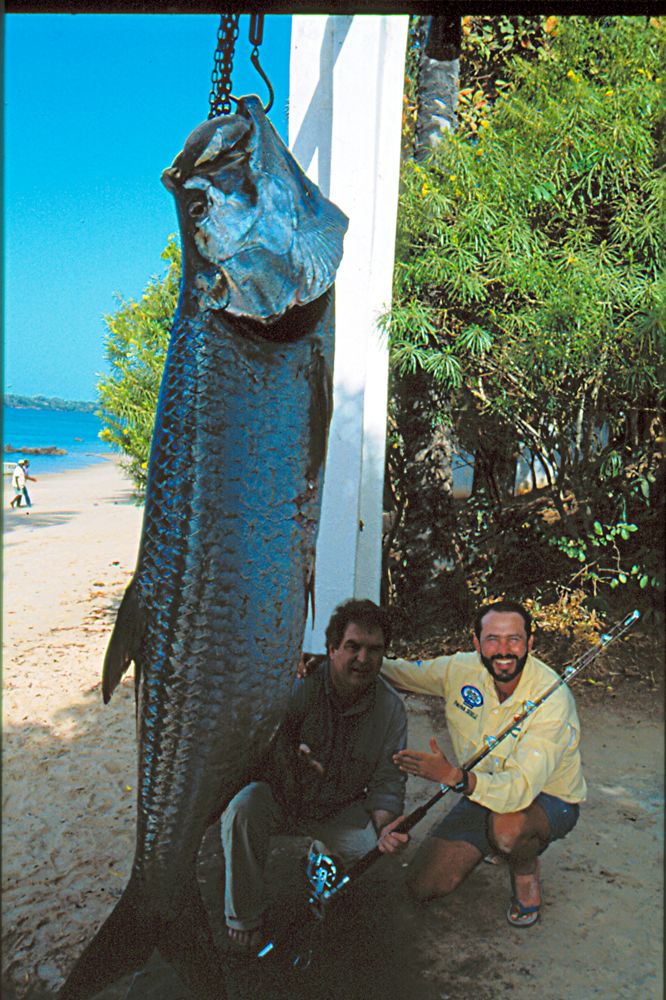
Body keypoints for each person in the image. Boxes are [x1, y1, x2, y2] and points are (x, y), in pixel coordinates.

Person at [383, 599, 586, 929]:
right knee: (422, 885)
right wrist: (330, 662)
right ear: (477, 643)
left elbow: (520, 790)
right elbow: (399, 673)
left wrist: (453, 777)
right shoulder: (459, 669)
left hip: (547, 798)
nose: (503, 650)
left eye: (514, 639)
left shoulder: (554, 699)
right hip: (480, 789)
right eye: (492, 639)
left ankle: (524, 870)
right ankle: (490, 840)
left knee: (507, 829)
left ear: (530, 644)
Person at [220, 598, 410, 951]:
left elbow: (388, 782)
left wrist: (387, 828)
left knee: (373, 856)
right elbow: (246, 752)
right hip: (281, 798)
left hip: (338, 809)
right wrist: (287, 760)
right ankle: (243, 916)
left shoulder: (392, 709)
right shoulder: (295, 683)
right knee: (242, 810)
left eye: (374, 649)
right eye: (352, 647)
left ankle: (318, 857)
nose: (363, 659)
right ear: (331, 648)